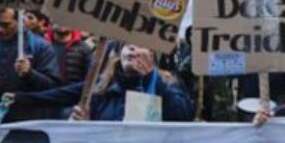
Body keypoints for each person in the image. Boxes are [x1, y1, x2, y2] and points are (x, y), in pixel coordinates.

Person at [11, 43, 194, 121]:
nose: (132, 48)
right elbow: (59, 96)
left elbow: (182, 116)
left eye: (140, 45)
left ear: (153, 55)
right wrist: (17, 98)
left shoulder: (168, 83)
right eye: (127, 45)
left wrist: (152, 81)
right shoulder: (101, 85)